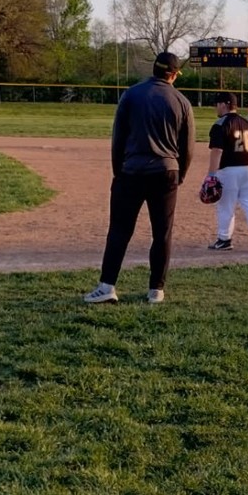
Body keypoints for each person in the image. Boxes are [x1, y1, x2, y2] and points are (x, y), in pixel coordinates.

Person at [84, 52, 194, 305]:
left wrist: (118, 171)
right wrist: (180, 176)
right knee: (162, 233)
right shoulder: (181, 101)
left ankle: (107, 286)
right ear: (174, 74)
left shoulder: (131, 94)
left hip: (131, 171)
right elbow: (187, 148)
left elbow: (118, 139)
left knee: (119, 231)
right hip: (166, 172)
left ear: (153, 69)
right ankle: (156, 290)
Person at [205, 91, 248, 251]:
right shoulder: (247, 123)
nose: (216, 107)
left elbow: (217, 151)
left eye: (217, 104)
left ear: (224, 104)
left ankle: (224, 239)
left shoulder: (221, 124)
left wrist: (211, 175)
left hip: (229, 171)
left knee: (226, 206)